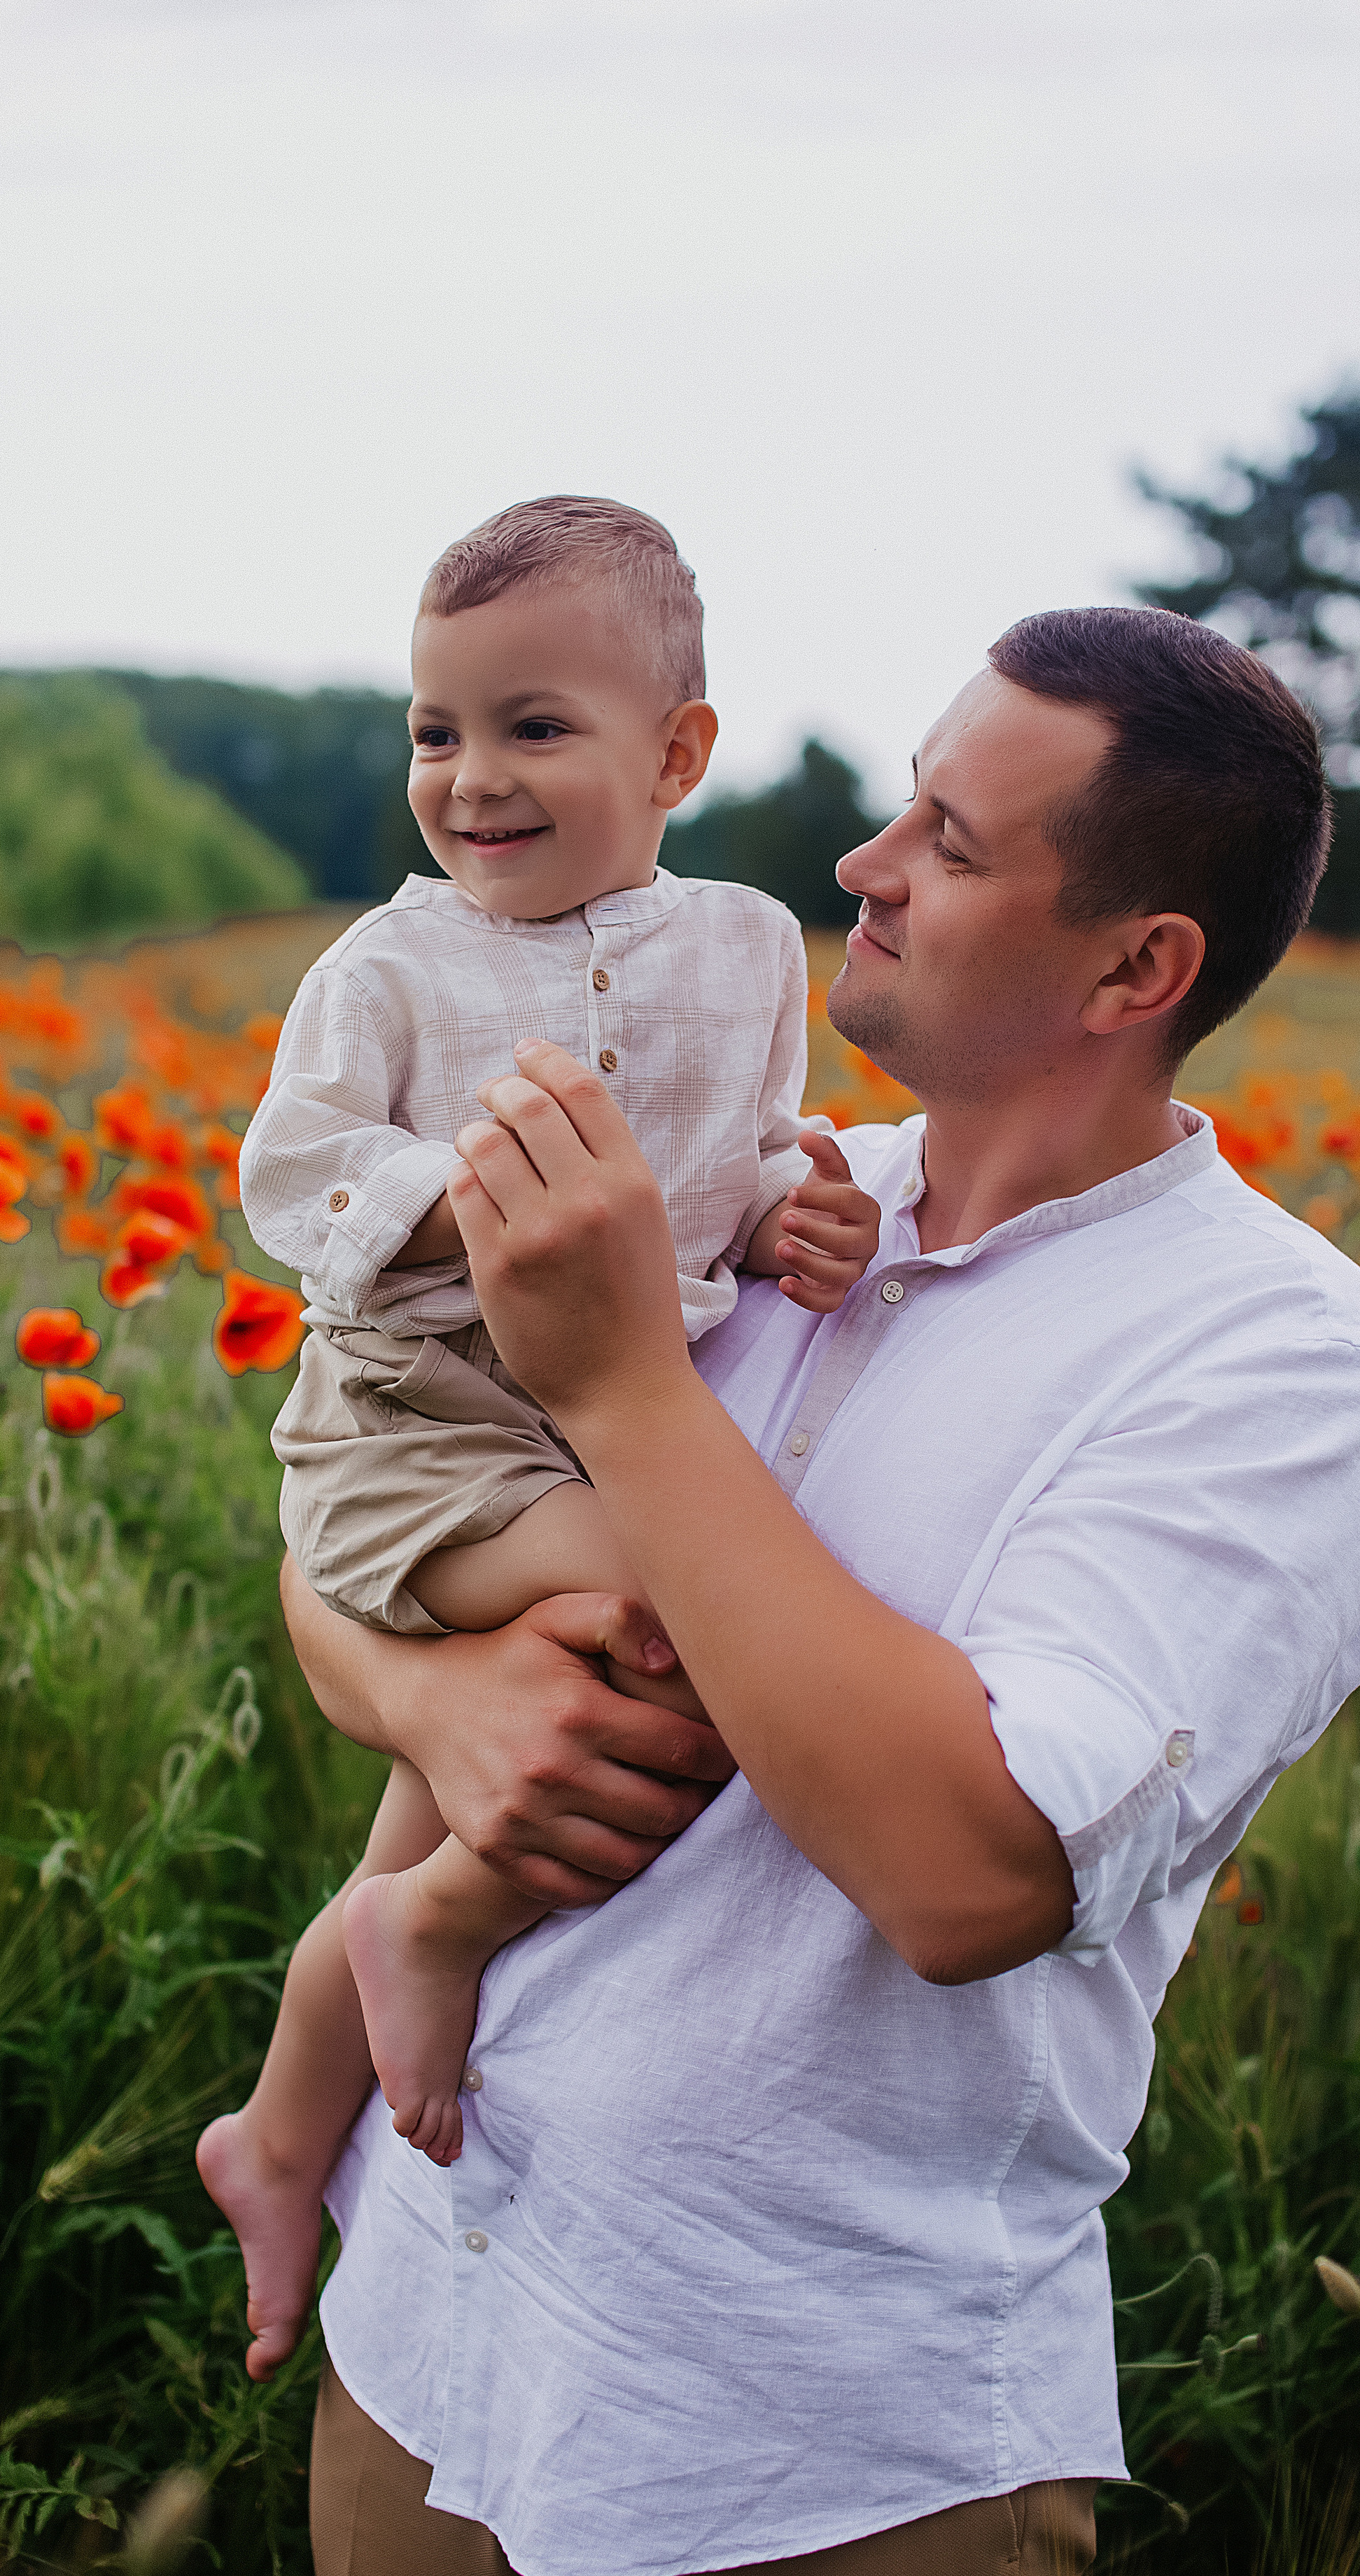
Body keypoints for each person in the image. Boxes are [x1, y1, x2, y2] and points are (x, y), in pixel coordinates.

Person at [281, 606, 1360, 2576]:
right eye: (901, 802)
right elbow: (351, 1503)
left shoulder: (1271, 1357)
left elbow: (970, 1870)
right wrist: (434, 1692)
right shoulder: (774, 1202)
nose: (863, 864)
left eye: (951, 838)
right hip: (439, 2318)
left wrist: (631, 1383)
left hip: (805, 2441)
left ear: (1135, 968)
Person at [197, 496, 883, 2379]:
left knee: (483, 1752)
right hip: (417, 1417)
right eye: (437, 730)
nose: (470, 778)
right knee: (690, 1619)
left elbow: (734, 1171)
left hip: (588, 1427)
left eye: (532, 727)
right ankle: (436, 1932)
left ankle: (277, 2130)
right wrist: (466, 1202)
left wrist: (780, 1224)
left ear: (678, 755)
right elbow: (295, 1174)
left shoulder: (748, 949)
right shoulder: (391, 971)